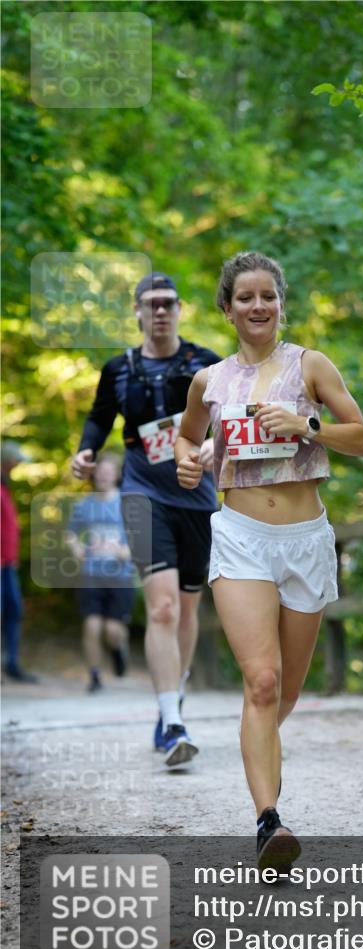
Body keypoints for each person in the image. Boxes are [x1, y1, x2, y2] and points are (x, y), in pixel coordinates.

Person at [175, 251, 363, 868]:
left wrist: (307, 424)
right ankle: (269, 821)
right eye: (246, 297)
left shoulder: (310, 365)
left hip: (306, 539)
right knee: (260, 681)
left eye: (268, 296)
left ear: (281, 303)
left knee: (283, 690)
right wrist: (187, 461)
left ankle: (262, 751)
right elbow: (186, 436)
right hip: (240, 537)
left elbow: (362, 439)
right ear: (227, 308)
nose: (258, 306)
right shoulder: (209, 381)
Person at [71, 272, 220, 765]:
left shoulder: (205, 363)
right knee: (162, 609)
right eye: (151, 304)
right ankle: (173, 724)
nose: (160, 311)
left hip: (196, 498)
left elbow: (232, 416)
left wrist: (215, 446)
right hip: (142, 494)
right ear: (137, 311)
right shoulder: (118, 368)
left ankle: (172, 697)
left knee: (187, 610)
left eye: (168, 303)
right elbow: (99, 417)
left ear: (180, 310)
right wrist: (87, 450)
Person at [65, 453, 135, 693]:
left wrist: (126, 551)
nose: (104, 476)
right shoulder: (84, 505)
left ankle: (118, 648)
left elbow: (142, 537)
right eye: (100, 472)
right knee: (92, 625)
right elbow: (71, 534)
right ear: (94, 475)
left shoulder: (127, 504)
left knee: (112, 631)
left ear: (116, 475)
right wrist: (77, 549)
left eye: (108, 472)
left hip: (121, 575)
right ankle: (94, 676)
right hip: (92, 573)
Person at [1, 441, 39, 683]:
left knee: (14, 610)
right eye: (16, 460)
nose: (18, 465)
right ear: (7, 460)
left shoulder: (5, 485)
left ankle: (11, 663)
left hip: (8, 564)